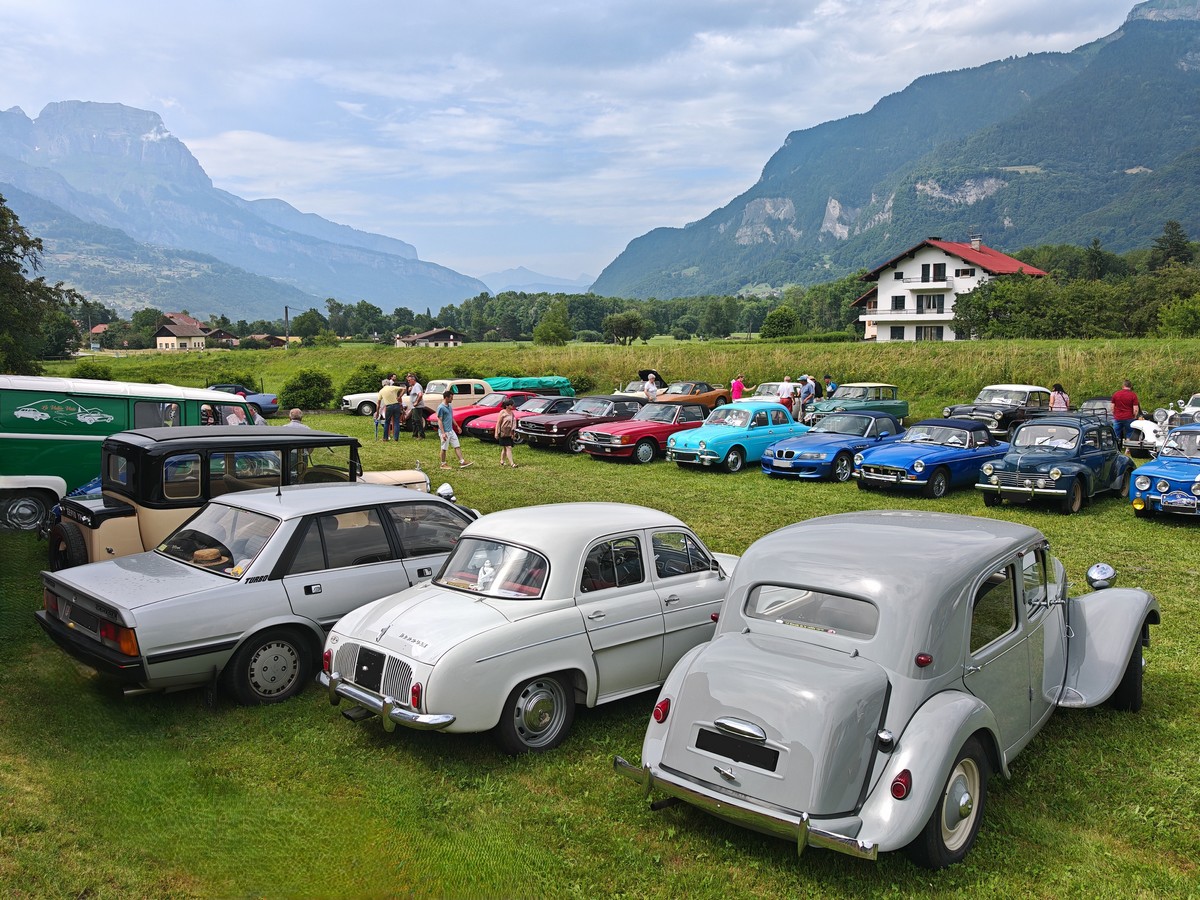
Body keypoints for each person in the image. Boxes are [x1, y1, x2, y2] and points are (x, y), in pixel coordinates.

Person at [436, 390, 472, 469]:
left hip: (451, 430)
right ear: (446, 398)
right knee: (444, 448)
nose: (452, 399)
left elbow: (451, 417)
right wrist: (443, 433)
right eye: (451, 398)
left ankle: (462, 462)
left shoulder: (449, 406)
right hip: (444, 432)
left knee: (457, 446)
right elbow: (439, 421)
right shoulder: (441, 408)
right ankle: (443, 464)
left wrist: (457, 426)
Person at [1111, 379, 1140, 451]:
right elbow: (1135, 409)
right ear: (1130, 386)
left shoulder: (1116, 394)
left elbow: (1112, 407)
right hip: (1129, 417)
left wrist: (1114, 414)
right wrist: (1135, 416)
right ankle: (1128, 448)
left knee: (1115, 433)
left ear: (1123, 386)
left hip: (1118, 417)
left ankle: (1116, 448)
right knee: (1129, 433)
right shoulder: (1133, 395)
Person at [377, 374, 404, 441]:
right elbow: (404, 388)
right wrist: (399, 396)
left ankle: (385, 438)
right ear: (389, 383)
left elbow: (378, 403)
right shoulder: (392, 387)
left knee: (387, 422)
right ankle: (396, 438)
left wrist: (377, 412)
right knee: (396, 422)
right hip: (396, 405)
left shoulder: (381, 391)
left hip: (389, 406)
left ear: (383, 385)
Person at [494, 397, 518, 467]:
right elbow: (498, 423)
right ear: (507, 406)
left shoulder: (512, 413)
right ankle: (512, 463)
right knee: (508, 447)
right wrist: (496, 433)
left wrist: (513, 433)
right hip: (503, 432)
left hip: (509, 433)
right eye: (511, 405)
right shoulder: (502, 412)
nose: (512, 406)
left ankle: (502, 460)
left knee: (505, 448)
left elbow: (513, 423)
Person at [404, 373, 426, 439]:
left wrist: (416, 402)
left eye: (409, 380)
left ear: (413, 380)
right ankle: (414, 434)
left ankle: (421, 435)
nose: (408, 382)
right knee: (414, 420)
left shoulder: (417, 386)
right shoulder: (413, 386)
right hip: (414, 407)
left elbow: (420, 394)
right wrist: (410, 390)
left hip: (417, 407)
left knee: (418, 420)